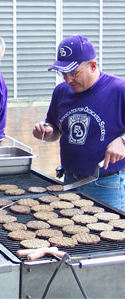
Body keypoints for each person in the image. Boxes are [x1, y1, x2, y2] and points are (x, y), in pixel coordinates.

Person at [33, 35, 125, 211]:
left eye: (74, 73)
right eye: (63, 73)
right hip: (69, 179)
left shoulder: (119, 90)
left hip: (107, 183)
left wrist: (122, 141)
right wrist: (47, 131)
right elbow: (56, 129)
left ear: (93, 66)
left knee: (109, 237)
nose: (67, 80)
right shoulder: (61, 91)